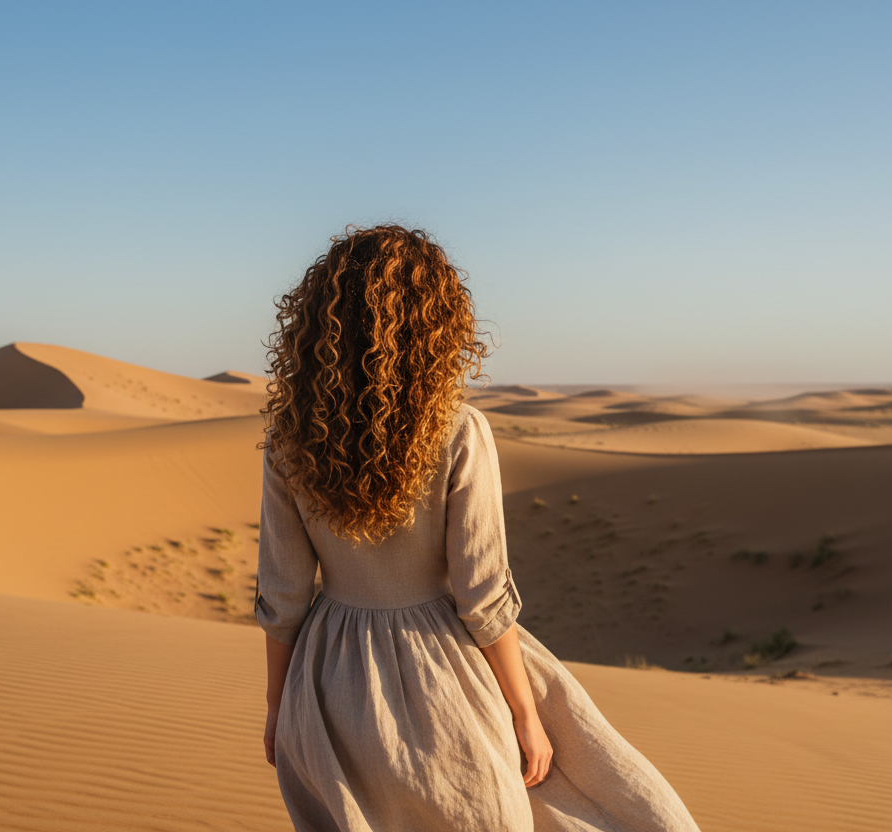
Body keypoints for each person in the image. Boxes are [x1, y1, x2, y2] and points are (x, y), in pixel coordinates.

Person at [255, 225, 700, 832]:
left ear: (319, 325)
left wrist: (281, 707)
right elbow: (483, 596)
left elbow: (282, 597)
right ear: (434, 324)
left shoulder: (288, 440)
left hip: (328, 686)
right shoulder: (458, 432)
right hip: (445, 675)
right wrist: (525, 712)